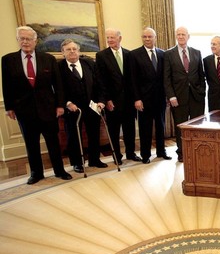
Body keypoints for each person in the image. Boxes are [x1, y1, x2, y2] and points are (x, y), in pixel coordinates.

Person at [2, 26, 72, 184]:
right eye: (22, 38)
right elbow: (7, 86)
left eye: (28, 39)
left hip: (48, 109)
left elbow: (58, 85)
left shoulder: (48, 59)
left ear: (35, 41)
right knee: (31, 143)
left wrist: (60, 105)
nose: (25, 42)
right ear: (18, 40)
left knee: (53, 142)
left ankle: (59, 170)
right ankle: (36, 173)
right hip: (24, 110)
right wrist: (9, 107)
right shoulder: (7, 60)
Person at [59, 39, 107, 173]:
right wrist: (67, 103)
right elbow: (57, 89)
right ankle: (77, 163)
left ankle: (94, 159)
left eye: (74, 49)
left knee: (94, 134)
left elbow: (100, 84)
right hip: (73, 109)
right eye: (68, 49)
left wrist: (101, 101)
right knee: (74, 136)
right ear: (63, 52)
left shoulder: (89, 63)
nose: (72, 51)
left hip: (92, 106)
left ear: (79, 51)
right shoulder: (59, 67)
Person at [95, 28, 141, 164]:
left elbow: (134, 79)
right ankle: (117, 156)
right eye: (107, 38)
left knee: (130, 130)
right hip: (112, 102)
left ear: (119, 38)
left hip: (129, 101)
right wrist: (107, 99)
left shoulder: (129, 54)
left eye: (112, 37)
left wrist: (136, 98)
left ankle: (131, 153)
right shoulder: (101, 56)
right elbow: (100, 80)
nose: (109, 40)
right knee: (114, 131)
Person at [163, 26, 206, 162]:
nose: (181, 36)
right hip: (178, 97)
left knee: (196, 126)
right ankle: (181, 152)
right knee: (181, 126)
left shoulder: (196, 52)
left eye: (183, 34)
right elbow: (166, 77)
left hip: (196, 97)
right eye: (178, 34)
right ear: (176, 36)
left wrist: (202, 91)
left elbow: (201, 75)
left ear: (188, 36)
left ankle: (197, 151)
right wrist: (171, 96)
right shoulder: (169, 54)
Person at [130, 27, 171, 164]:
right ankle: (145, 154)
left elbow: (166, 78)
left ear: (155, 38)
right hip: (143, 99)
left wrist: (167, 96)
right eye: (144, 37)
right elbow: (133, 80)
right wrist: (137, 99)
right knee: (145, 128)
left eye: (149, 37)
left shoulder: (162, 54)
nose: (147, 39)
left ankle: (161, 151)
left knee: (161, 126)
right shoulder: (134, 55)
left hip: (160, 98)